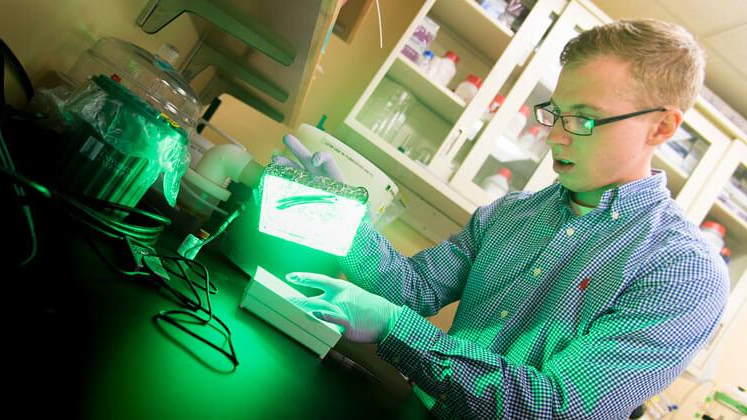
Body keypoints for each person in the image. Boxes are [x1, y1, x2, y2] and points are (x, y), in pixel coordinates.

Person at [278, 18, 729, 419]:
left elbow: (559, 406)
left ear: (662, 127)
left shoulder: (684, 271)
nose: (555, 135)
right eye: (556, 112)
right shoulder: (512, 213)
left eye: (584, 120)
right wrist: (340, 215)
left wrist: (396, 328)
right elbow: (411, 290)